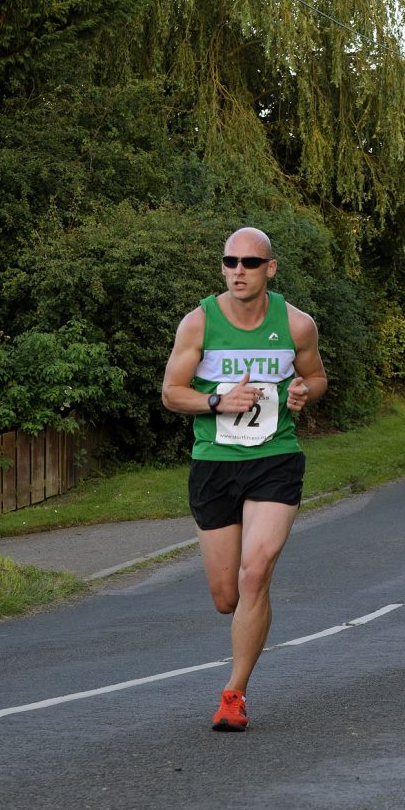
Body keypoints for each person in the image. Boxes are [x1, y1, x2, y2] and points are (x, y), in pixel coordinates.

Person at [162, 226, 328, 731]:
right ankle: (242, 625)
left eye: (250, 263)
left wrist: (303, 392)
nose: (239, 271)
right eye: (230, 262)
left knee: (255, 574)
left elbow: (316, 376)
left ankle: (234, 694)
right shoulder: (199, 324)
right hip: (215, 461)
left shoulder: (297, 325)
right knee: (226, 597)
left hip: (275, 459)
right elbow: (171, 393)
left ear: (269, 269)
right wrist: (216, 401)